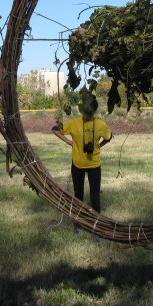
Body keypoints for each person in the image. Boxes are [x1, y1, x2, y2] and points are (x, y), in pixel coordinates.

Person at [52, 91, 113, 221]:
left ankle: (97, 224)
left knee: (94, 196)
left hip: (94, 165)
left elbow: (109, 136)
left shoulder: (100, 125)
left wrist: (99, 146)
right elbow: (55, 129)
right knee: (79, 196)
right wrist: (69, 142)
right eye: (85, 112)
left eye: (87, 112)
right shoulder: (76, 123)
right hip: (78, 165)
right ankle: (79, 223)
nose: (86, 115)